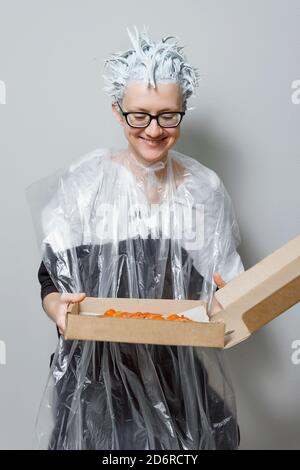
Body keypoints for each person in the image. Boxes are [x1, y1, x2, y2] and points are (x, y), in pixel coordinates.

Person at [32, 26, 244, 450]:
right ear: (117, 110)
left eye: (168, 115)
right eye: (139, 115)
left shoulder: (202, 190)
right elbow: (50, 281)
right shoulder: (85, 185)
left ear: (183, 111)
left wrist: (232, 299)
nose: (153, 129)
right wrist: (59, 310)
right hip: (97, 382)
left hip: (177, 381)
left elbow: (230, 290)